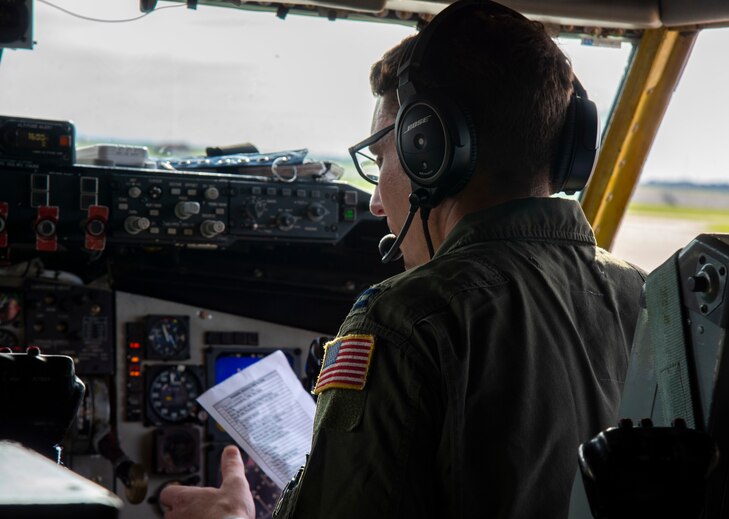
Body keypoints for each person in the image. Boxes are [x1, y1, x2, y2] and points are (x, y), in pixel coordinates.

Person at [160, 1, 646, 517]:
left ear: (427, 149)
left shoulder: (408, 318)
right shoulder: (650, 297)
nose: (374, 202)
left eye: (380, 158)